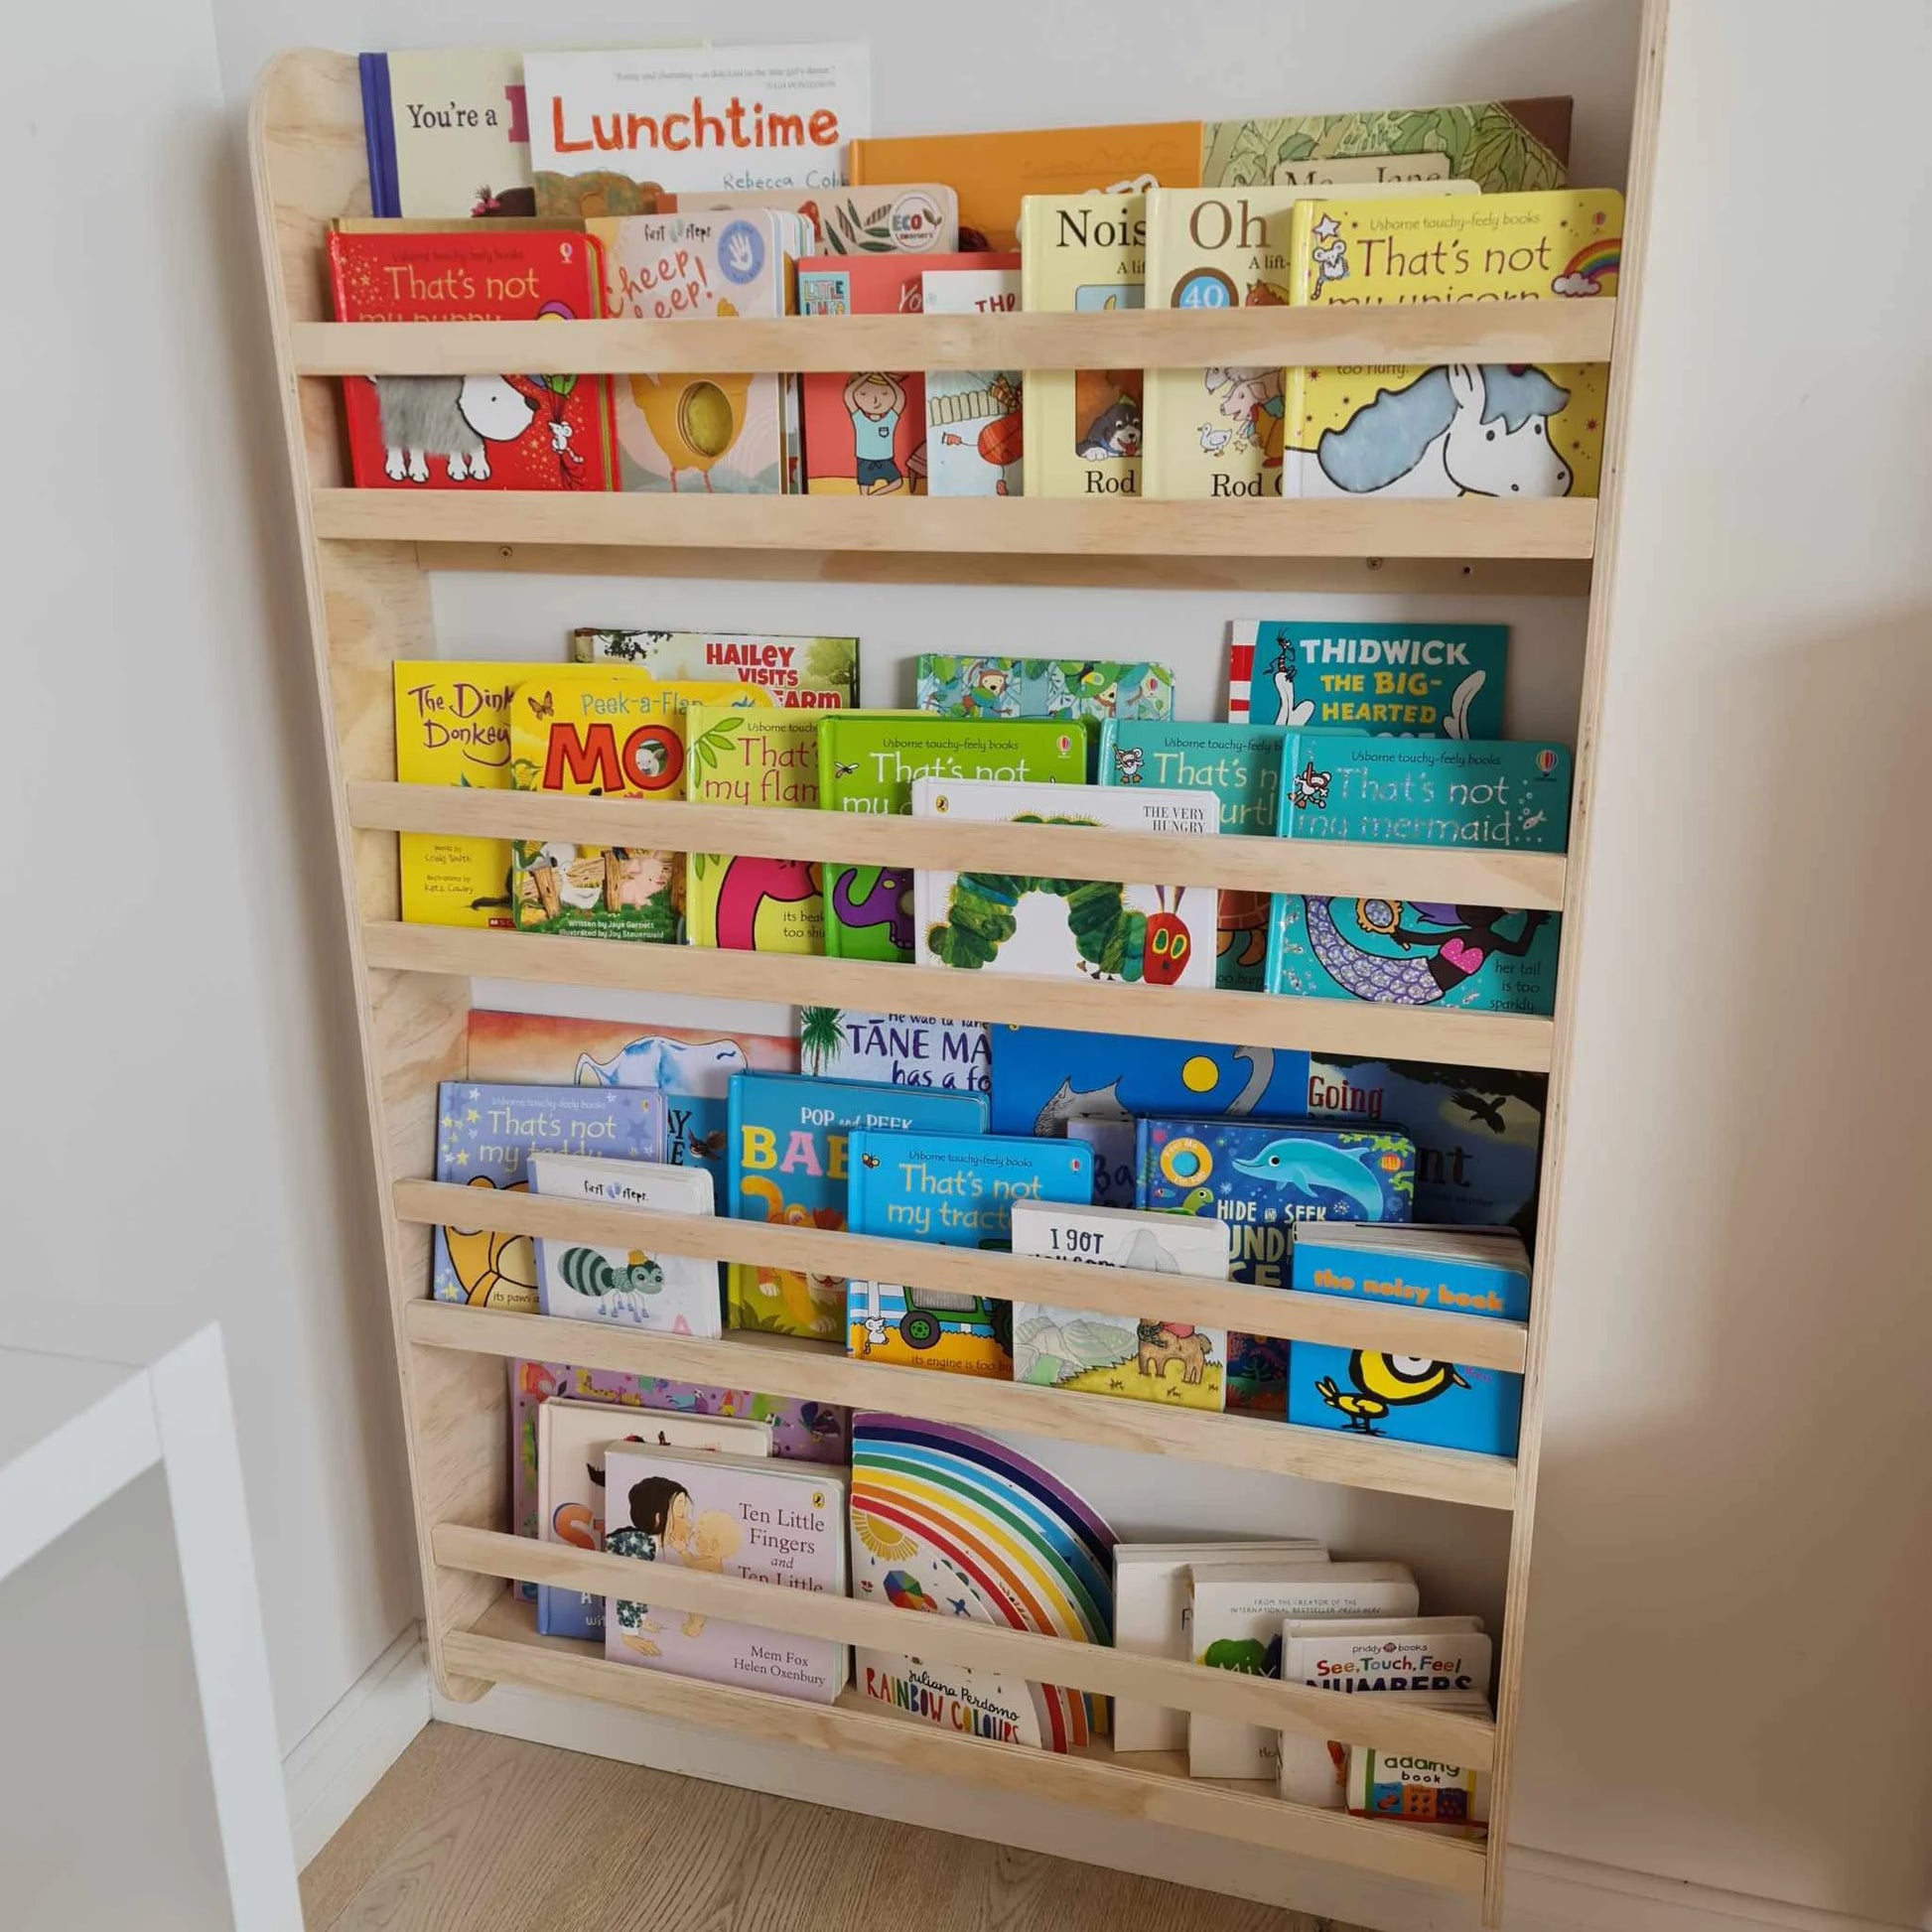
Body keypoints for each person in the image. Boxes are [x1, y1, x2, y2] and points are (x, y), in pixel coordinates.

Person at [844, 371, 906, 494]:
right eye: (863, 394)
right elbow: (848, 395)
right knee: (863, 492)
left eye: (885, 393)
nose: (875, 400)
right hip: (864, 461)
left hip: (885, 460)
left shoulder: (890, 419)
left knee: (898, 482)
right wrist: (867, 375)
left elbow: (900, 397)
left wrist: (884, 376)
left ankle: (874, 497)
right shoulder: (859, 418)